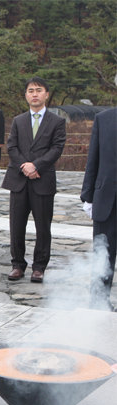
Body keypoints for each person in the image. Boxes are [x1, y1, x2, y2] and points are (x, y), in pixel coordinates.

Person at [2, 76, 66, 284]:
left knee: (43, 226)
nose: (35, 94)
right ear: (26, 95)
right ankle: (17, 264)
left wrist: (36, 165)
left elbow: (57, 148)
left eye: (39, 90)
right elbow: (12, 147)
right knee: (16, 225)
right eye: (31, 90)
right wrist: (25, 166)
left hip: (42, 180)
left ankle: (39, 267)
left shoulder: (57, 122)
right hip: (19, 180)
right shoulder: (19, 121)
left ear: (46, 94)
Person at [81, 107, 117, 312]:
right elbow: (92, 158)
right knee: (103, 254)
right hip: (106, 199)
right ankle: (99, 302)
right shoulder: (103, 119)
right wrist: (88, 196)